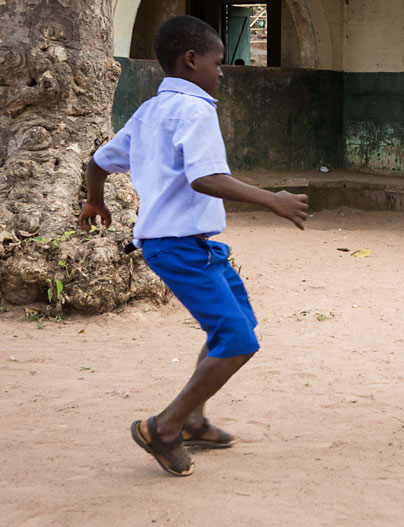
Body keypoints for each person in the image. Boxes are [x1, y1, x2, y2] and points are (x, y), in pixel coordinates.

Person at [78, 15, 309, 476]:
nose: (221, 71)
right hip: (179, 246)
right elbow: (204, 178)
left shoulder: (148, 111)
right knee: (238, 340)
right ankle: (165, 427)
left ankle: (196, 420)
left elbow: (98, 162)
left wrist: (95, 202)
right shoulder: (196, 109)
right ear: (191, 60)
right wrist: (273, 200)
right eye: (217, 62)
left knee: (237, 324)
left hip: (193, 246)